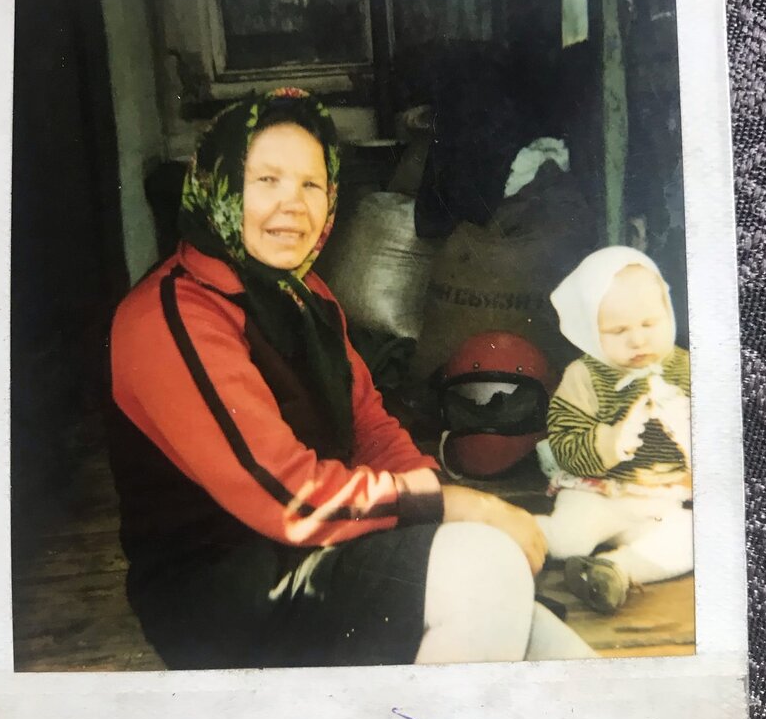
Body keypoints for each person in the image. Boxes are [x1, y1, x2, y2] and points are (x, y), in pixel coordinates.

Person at [109, 87, 595, 669]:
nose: (293, 205)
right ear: (218, 184)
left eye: (310, 185)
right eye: (266, 180)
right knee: (482, 568)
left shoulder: (305, 295)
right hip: (226, 593)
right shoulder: (172, 316)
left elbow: (371, 426)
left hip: (319, 549)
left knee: (539, 633)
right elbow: (288, 498)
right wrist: (453, 506)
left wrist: (436, 506)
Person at [536, 246, 694, 614]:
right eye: (618, 331)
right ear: (590, 331)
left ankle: (613, 571)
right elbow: (566, 447)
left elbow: (727, 453)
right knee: (569, 538)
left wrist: (689, 434)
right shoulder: (584, 375)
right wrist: (614, 440)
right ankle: (516, 535)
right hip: (597, 493)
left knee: (689, 537)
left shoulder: (688, 370)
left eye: (649, 324)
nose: (638, 340)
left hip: (660, 502)